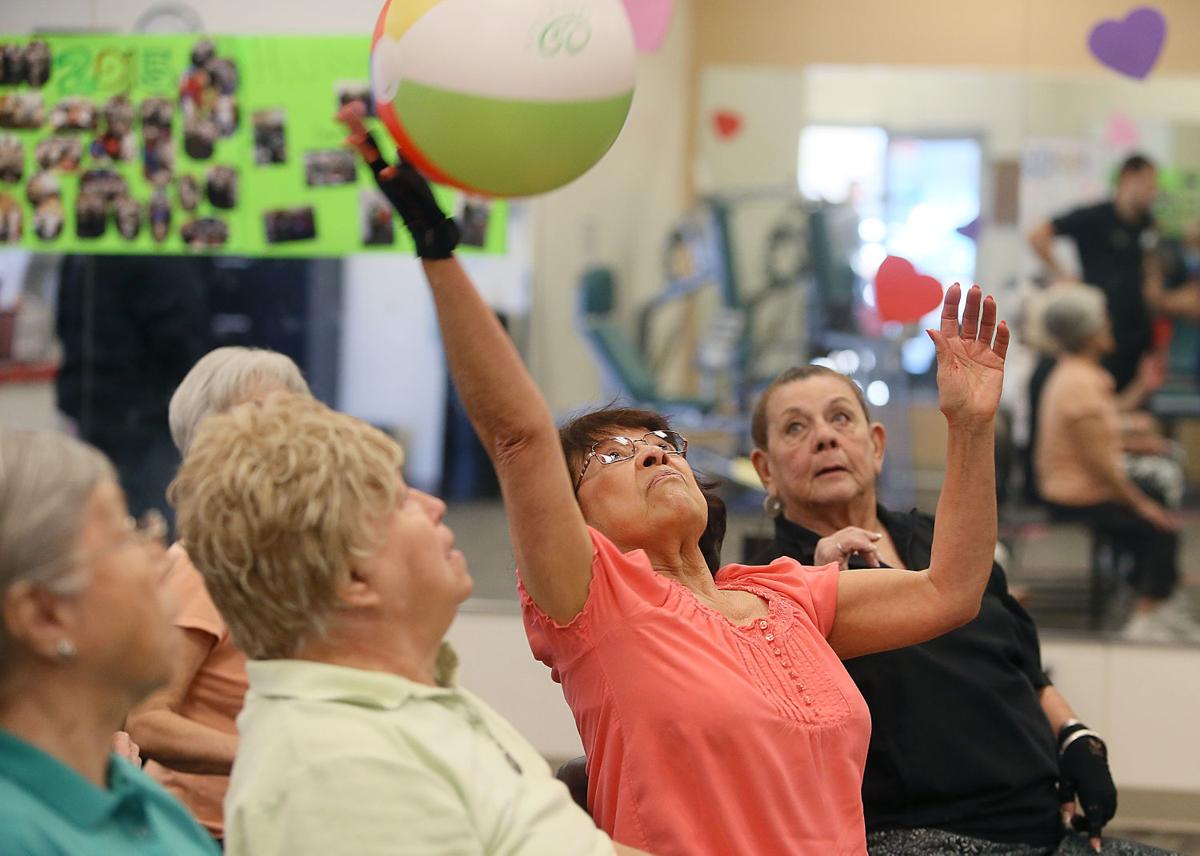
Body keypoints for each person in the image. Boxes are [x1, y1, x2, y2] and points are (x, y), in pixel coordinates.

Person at [340, 106, 1011, 856]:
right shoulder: (595, 604)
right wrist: (438, 248)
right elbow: (518, 436)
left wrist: (970, 426)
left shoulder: (784, 595)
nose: (653, 455)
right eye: (612, 456)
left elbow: (951, 589)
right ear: (574, 518)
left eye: (658, 441)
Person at [170, 393, 640, 855]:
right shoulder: (338, 766)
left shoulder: (407, 708)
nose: (434, 505)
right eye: (399, 501)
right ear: (354, 578)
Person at [749, 364, 1179, 856]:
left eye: (840, 418)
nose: (824, 438)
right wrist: (817, 583)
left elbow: (1024, 665)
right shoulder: (766, 584)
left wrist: (1075, 737)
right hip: (912, 835)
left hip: (1042, 823)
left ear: (877, 445)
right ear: (766, 469)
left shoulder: (948, 542)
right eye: (796, 428)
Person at [0, 428, 218, 855]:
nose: (161, 556)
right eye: (126, 536)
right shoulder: (16, 834)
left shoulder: (133, 790)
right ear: (45, 616)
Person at [125, 347, 311, 844]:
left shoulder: (301, 561)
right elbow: (146, 723)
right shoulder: (203, 566)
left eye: (289, 414)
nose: (279, 433)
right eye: (254, 416)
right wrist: (267, 754)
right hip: (204, 834)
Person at [1035, 284, 1200, 643]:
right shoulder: (1079, 382)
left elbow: (1106, 422)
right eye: (1104, 322)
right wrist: (1143, 507)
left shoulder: (1080, 373)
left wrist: (1143, 386)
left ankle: (1154, 595)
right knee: (1159, 526)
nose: (1111, 327)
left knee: (1157, 493)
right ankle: (1147, 615)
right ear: (1089, 333)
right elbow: (1102, 468)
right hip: (1075, 496)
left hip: (1084, 485)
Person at [55, 254, 209, 528]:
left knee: (100, 524)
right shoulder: (157, 255)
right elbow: (182, 339)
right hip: (143, 416)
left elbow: (64, 324)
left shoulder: (82, 251)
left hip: (97, 408)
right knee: (153, 526)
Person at [1029, 154, 1161, 393]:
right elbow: (1038, 235)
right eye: (1149, 184)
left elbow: (1150, 273)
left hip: (1135, 331)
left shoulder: (1147, 224)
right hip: (1101, 331)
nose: (1153, 192)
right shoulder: (1094, 217)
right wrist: (1064, 275)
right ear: (1128, 178)